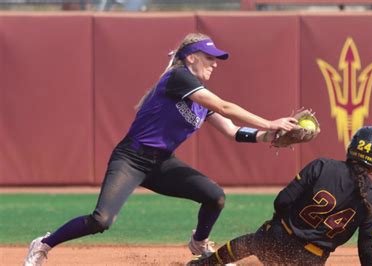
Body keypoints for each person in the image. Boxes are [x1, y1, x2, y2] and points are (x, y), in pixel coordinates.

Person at [23, 33, 297, 266]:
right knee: (101, 220)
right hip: (131, 158)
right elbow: (225, 107)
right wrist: (270, 121)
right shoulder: (178, 78)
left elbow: (232, 131)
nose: (214, 63)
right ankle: (44, 243)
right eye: (209, 57)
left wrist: (268, 136)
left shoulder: (200, 102)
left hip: (162, 164)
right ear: (191, 57)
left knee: (215, 196)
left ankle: (199, 242)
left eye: (216, 59)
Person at [188, 126, 372, 266]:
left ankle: (207, 263)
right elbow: (366, 245)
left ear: (353, 147)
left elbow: (282, 201)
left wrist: (279, 227)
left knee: (249, 242)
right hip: (311, 260)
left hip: (275, 241)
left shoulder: (322, 166)